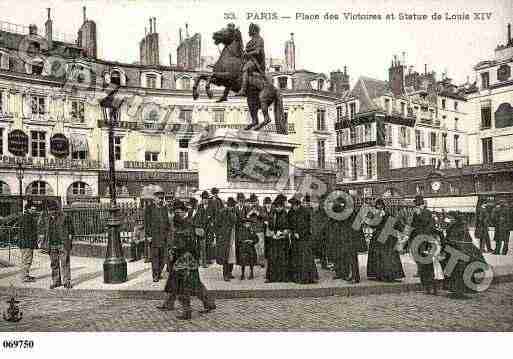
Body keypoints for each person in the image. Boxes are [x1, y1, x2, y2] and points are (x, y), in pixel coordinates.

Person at [157, 200, 216, 319]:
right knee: (175, 281)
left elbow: (187, 242)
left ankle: (188, 311)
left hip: (186, 259)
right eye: (175, 212)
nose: (176, 214)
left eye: (178, 212)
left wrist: (175, 249)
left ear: (184, 212)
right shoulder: (178, 223)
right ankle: (169, 303)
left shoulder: (188, 224)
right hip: (181, 258)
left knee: (184, 285)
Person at [441, 211, 489, 299]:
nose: (447, 220)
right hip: (463, 251)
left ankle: (457, 290)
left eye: (449, 218)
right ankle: (468, 288)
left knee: (456, 271)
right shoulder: (461, 226)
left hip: (458, 252)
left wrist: (446, 244)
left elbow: (452, 239)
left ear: (453, 219)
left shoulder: (456, 227)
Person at [367, 199, 405, 282]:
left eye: (380, 206)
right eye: (378, 206)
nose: (379, 208)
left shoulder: (386, 214)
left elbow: (395, 223)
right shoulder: (381, 214)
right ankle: (382, 275)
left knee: (384, 257)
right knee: (383, 256)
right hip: (382, 237)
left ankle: (385, 275)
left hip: (384, 237)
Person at [287, 195, 319, 284]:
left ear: (298, 204)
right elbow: (289, 224)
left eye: (295, 205)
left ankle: (308, 277)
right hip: (294, 239)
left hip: (305, 238)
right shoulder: (290, 212)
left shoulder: (305, 212)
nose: (294, 207)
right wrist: (293, 232)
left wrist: (300, 234)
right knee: (296, 257)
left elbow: (308, 225)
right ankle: (296, 277)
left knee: (305, 257)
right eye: (292, 205)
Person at [410, 195, 438, 294]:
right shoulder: (422, 212)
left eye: (416, 204)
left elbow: (422, 224)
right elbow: (414, 225)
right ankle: (429, 285)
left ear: (419, 204)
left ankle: (428, 285)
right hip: (423, 239)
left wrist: (418, 215)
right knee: (425, 260)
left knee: (424, 261)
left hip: (423, 239)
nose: (415, 206)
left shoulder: (423, 212)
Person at [47, 205, 75, 289]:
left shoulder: (65, 217)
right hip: (52, 244)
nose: (50, 213)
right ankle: (56, 281)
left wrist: (69, 242)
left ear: (56, 210)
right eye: (49, 211)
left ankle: (66, 282)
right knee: (54, 264)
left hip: (62, 244)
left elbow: (71, 231)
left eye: (52, 211)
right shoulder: (48, 219)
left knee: (65, 263)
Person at [145, 191, 170, 282]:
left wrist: (168, 233)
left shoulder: (164, 209)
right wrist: (148, 235)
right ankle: (155, 275)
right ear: (154, 199)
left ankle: (159, 272)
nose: (161, 200)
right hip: (154, 236)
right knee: (155, 256)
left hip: (163, 237)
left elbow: (167, 222)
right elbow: (147, 223)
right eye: (159, 198)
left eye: (162, 198)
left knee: (163, 257)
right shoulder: (149, 208)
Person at [265, 194, 290, 283]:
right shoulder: (272, 215)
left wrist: (283, 233)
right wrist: (273, 234)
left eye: (280, 207)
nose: (279, 208)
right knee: (272, 258)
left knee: (283, 258)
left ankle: (283, 277)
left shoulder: (286, 215)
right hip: (273, 240)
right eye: (277, 207)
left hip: (283, 241)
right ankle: (271, 277)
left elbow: (288, 228)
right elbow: (269, 227)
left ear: (283, 207)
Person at [238, 23, 266, 97]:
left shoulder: (260, 39)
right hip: (249, 60)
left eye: (250, 30)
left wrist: (247, 54)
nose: (248, 32)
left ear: (254, 31)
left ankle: (243, 90)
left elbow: (257, 52)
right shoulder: (250, 41)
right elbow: (246, 51)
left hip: (257, 62)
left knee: (245, 69)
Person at [216, 197, 239, 281]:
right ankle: (225, 274)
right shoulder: (222, 212)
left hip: (233, 235)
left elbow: (237, 221)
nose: (231, 207)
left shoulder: (235, 211)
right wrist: (220, 234)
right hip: (225, 236)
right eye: (230, 206)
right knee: (226, 256)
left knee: (232, 256)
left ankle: (230, 272)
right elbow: (217, 224)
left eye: (232, 206)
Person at [17, 202, 39, 283]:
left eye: (35, 209)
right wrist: (34, 243)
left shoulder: (24, 217)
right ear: (28, 209)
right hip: (27, 243)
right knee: (27, 260)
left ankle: (25, 275)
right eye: (33, 209)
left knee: (24, 260)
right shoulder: (28, 218)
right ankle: (24, 277)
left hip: (24, 243)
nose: (34, 211)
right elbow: (29, 232)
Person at [237, 213, 259, 280]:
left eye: (249, 224)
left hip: (250, 247)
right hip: (243, 247)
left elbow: (256, 239)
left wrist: (252, 241)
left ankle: (251, 273)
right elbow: (238, 239)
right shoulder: (241, 230)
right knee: (243, 260)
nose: (247, 225)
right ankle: (242, 274)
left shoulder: (252, 230)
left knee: (251, 259)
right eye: (246, 223)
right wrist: (243, 241)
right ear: (244, 224)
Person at [193, 191, 212, 267]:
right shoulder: (199, 207)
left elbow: (213, 216)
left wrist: (211, 222)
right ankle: (199, 262)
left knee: (206, 246)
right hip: (200, 229)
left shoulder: (210, 207)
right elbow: (197, 218)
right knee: (199, 247)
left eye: (206, 198)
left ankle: (205, 261)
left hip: (207, 229)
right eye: (204, 198)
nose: (205, 200)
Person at [260, 196, 273, 261]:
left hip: (271, 228)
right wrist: (264, 221)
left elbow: (273, 218)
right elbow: (261, 217)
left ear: (271, 203)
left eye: (269, 203)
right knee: (265, 242)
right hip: (265, 229)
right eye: (266, 204)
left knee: (271, 242)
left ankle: (271, 255)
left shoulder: (273, 210)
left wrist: (269, 222)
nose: (268, 205)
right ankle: (266, 256)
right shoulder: (263, 209)